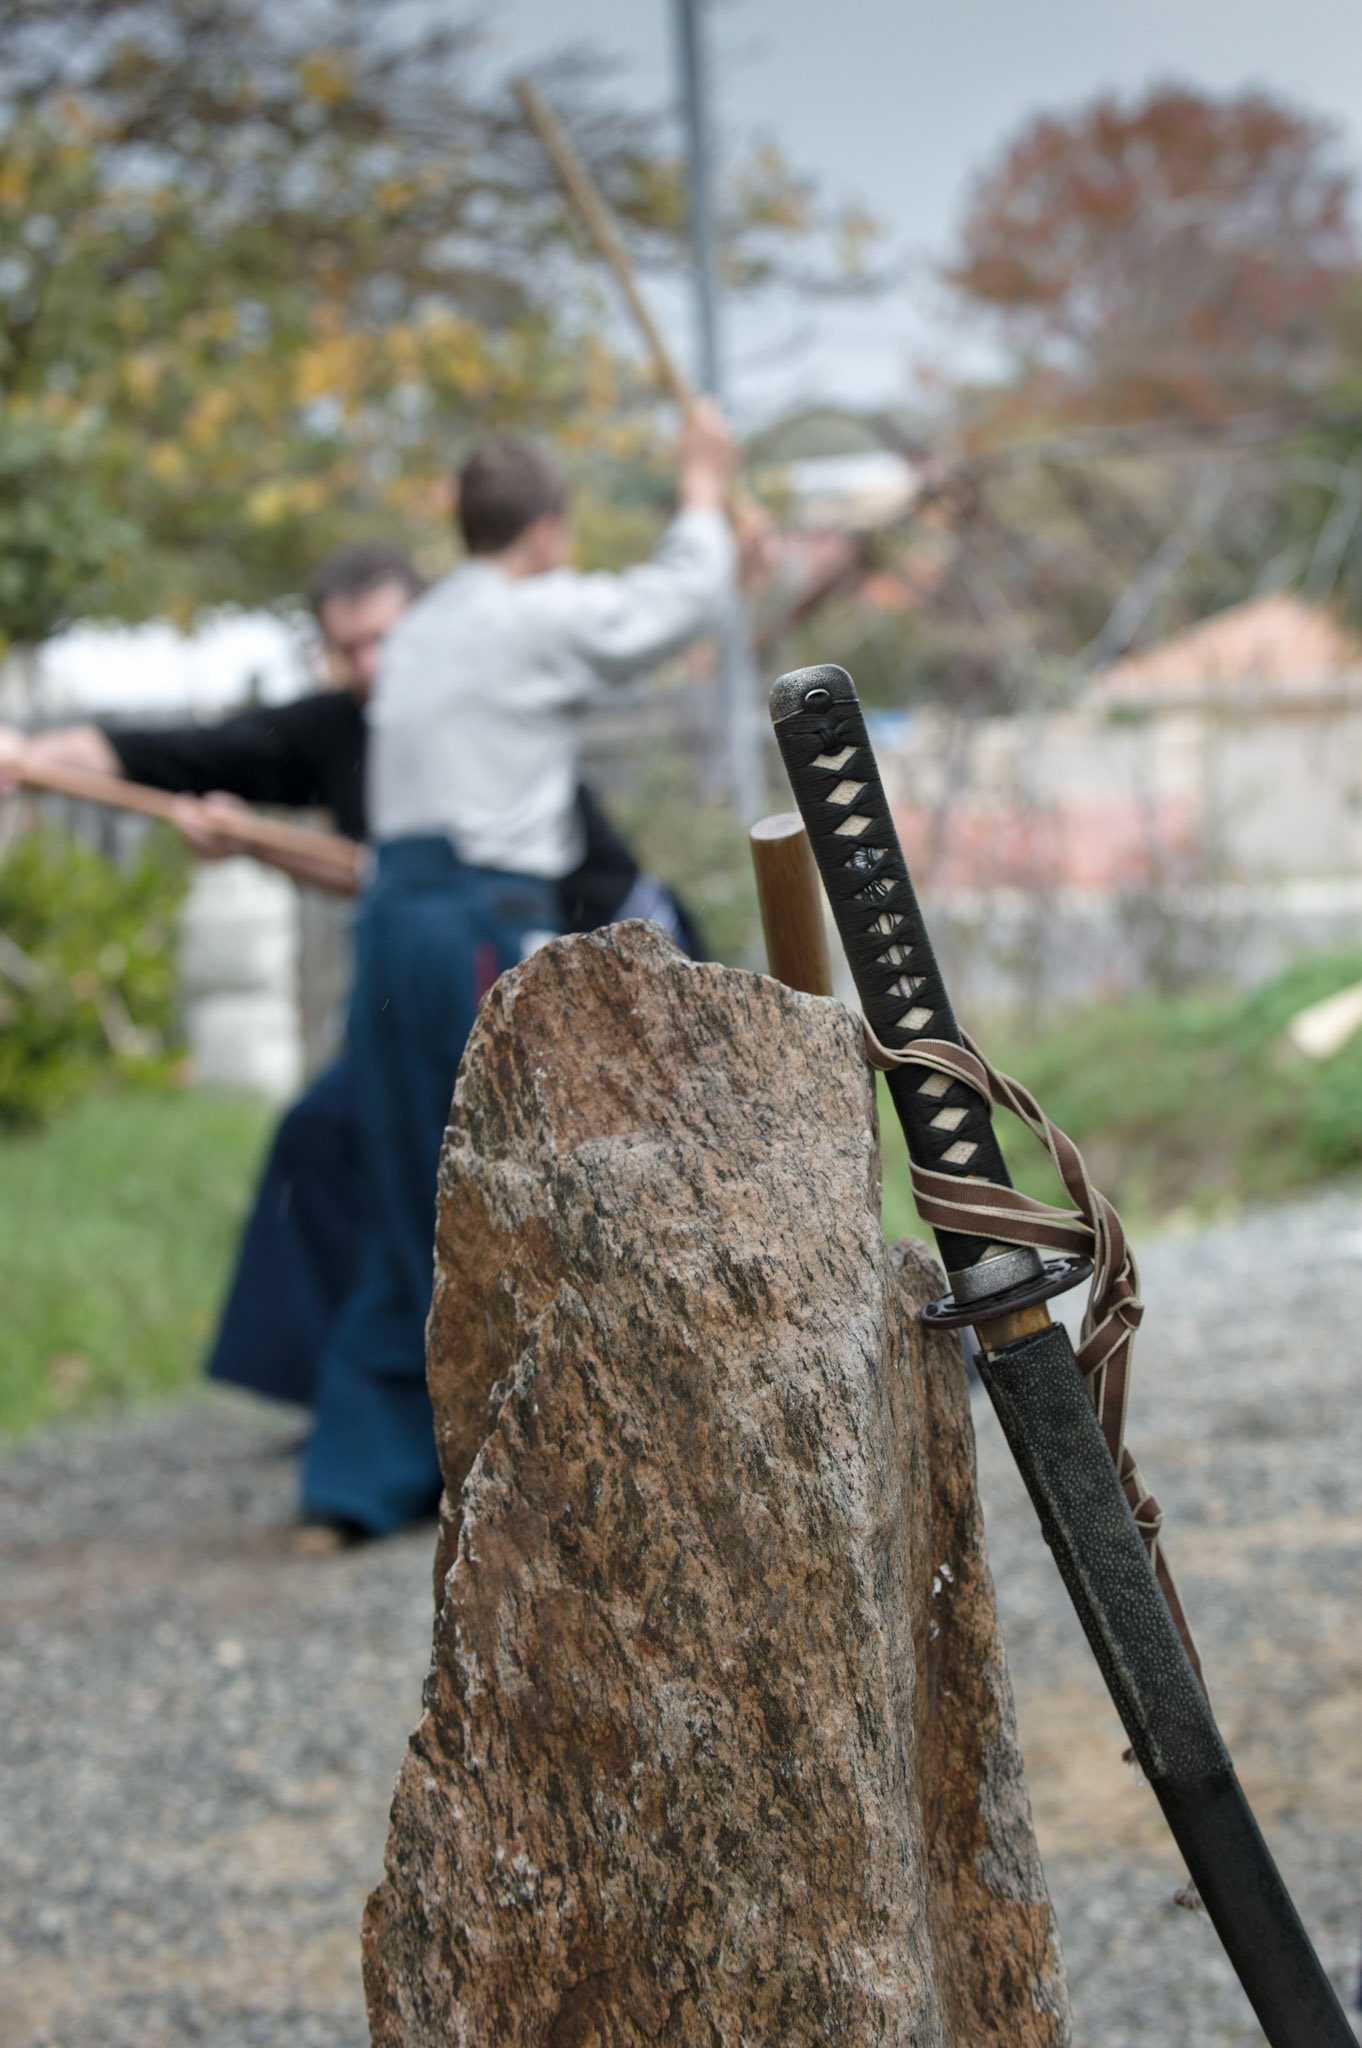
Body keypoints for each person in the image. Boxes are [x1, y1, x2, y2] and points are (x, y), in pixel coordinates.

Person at [0, 542, 696, 1447]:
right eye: (348, 649)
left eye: (384, 641)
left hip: (563, 990)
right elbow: (176, 751)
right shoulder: (341, 728)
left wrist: (257, 842)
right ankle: (340, 1390)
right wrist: (27, 756)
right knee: (323, 1136)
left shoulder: (482, 724)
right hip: (424, 1004)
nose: (371, 667)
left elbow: (410, 882)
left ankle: (542, 1400)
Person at [301, 401, 739, 1542]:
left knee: (415, 1182)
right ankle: (546, 1455)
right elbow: (678, 603)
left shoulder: (430, 624)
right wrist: (704, 484)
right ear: (547, 531)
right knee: (519, 1174)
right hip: (474, 928)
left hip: (391, 914)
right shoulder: (534, 614)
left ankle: (363, 1473)